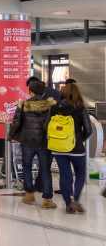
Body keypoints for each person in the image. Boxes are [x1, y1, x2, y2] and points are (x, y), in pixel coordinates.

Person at [8, 80, 57, 209]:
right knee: (46, 170)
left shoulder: (23, 105)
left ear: (30, 92)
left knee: (27, 166)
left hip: (27, 141)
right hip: (45, 142)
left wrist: (11, 136)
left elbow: (16, 122)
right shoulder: (51, 105)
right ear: (44, 93)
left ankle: (29, 193)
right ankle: (47, 199)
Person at [47, 83, 92, 213]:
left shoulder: (54, 108)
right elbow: (88, 130)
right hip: (76, 148)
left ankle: (68, 204)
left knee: (65, 175)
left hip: (58, 147)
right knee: (80, 174)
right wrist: (80, 139)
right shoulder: (81, 108)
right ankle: (76, 200)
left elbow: (47, 127)